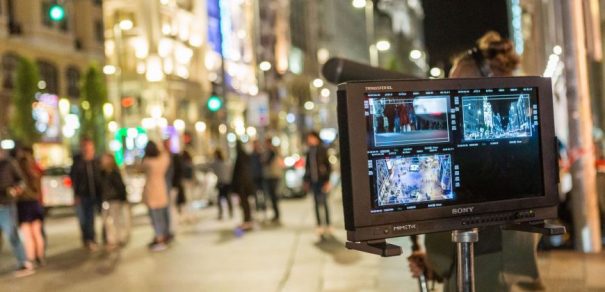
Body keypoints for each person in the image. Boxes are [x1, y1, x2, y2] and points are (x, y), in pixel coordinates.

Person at [408, 31, 543, 292]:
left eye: (457, 87)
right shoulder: (522, 138)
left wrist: (437, 261)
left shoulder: (501, 148)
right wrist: (435, 263)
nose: (449, 99)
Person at [0, 147, 34, 277]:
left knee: (12, 235)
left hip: (6, 205)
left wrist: (15, 190)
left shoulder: (9, 163)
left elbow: (21, 182)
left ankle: (24, 263)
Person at [14, 147, 45, 266]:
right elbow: (39, 191)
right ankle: (40, 257)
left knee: (27, 234)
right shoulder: (35, 175)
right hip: (35, 204)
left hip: (24, 206)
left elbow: (19, 193)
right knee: (37, 233)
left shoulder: (20, 180)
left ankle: (31, 257)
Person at [70, 137, 102, 251]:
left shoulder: (96, 161)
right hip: (83, 195)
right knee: (84, 219)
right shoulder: (78, 162)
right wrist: (76, 194)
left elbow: (101, 176)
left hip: (97, 194)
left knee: (92, 218)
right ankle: (87, 239)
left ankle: (92, 238)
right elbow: (73, 179)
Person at [142, 141, 171, 251]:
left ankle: (159, 238)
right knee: (162, 216)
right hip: (161, 189)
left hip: (151, 190)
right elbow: (166, 154)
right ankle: (163, 235)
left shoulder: (147, 162)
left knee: (155, 217)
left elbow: (141, 167)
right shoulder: (163, 160)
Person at [304, 131, 332, 236]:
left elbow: (328, 166)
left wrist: (328, 180)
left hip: (322, 181)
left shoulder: (322, 150)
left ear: (315, 138)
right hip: (313, 181)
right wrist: (306, 181)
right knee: (315, 203)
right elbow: (307, 167)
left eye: (311, 138)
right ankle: (319, 225)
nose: (309, 140)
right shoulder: (309, 151)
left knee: (324, 203)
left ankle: (328, 224)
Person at [99, 153, 129, 249]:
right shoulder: (102, 173)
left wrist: (123, 198)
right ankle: (111, 239)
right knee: (107, 221)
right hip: (106, 200)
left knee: (116, 220)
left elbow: (120, 186)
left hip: (115, 199)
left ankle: (118, 238)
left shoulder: (114, 173)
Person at [231, 141, 254, 230]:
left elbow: (241, 172)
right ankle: (247, 219)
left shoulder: (241, 157)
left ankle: (247, 220)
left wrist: (240, 185)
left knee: (245, 203)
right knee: (245, 203)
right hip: (245, 184)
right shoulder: (244, 156)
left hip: (243, 185)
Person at [263, 138, 282, 223]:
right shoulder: (271, 151)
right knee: (272, 197)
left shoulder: (272, 152)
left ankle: (277, 215)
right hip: (271, 176)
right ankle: (276, 214)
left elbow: (266, 162)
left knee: (273, 196)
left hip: (273, 176)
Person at [211, 149, 233, 220]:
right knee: (227, 198)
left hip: (222, 182)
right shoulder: (226, 162)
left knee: (221, 198)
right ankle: (229, 212)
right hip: (227, 182)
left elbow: (209, 166)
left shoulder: (216, 163)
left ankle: (222, 213)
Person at [250, 140, 266, 215]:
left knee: (263, 192)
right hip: (254, 176)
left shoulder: (261, 154)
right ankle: (257, 206)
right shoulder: (251, 155)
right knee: (255, 192)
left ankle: (264, 205)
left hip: (262, 175)